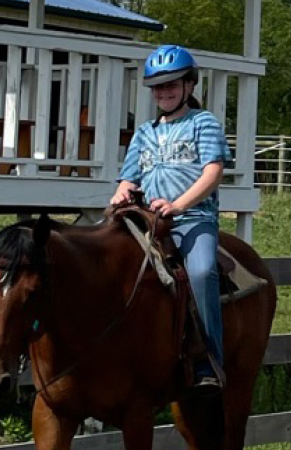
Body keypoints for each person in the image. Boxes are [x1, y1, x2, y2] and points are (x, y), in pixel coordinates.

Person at [111, 44, 228, 398]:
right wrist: (121, 194)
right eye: (158, 86)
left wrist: (178, 205)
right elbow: (129, 178)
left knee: (202, 270)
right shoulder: (144, 132)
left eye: (172, 84)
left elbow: (213, 173)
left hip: (192, 219)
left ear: (190, 84)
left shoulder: (203, 123)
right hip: (148, 220)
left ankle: (210, 359)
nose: (164, 92)